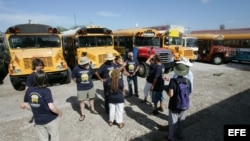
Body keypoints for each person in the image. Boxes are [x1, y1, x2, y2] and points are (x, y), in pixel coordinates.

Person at [22, 70, 62, 141]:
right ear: (45, 79)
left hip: (38, 120)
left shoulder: (29, 90)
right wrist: (59, 112)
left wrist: (34, 109)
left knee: (43, 138)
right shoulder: (46, 90)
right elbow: (51, 107)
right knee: (55, 136)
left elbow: (25, 104)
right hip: (50, 119)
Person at [165, 63, 192, 141]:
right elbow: (189, 92)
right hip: (184, 105)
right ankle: (180, 135)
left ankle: (171, 137)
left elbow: (171, 94)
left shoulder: (173, 81)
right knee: (181, 122)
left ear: (176, 72)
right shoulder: (188, 81)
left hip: (174, 105)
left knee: (173, 123)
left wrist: (166, 90)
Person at [72, 56, 98, 121]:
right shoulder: (76, 68)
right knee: (82, 101)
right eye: (86, 63)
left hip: (90, 86)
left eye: (87, 63)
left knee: (91, 98)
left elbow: (91, 74)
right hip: (81, 88)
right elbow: (73, 78)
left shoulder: (89, 67)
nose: (88, 64)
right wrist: (79, 83)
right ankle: (82, 114)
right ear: (82, 64)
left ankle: (92, 109)